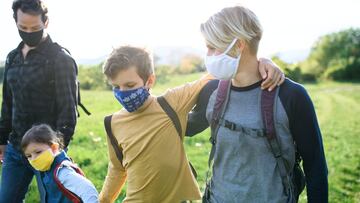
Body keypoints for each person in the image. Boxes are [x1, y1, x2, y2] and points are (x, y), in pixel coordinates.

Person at [99, 45, 284, 202]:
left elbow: (215, 74)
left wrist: (263, 61)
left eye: (130, 86)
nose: (122, 92)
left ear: (150, 81)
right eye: (116, 87)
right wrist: (103, 200)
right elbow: (117, 168)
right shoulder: (112, 123)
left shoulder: (171, 103)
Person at [185, 6, 328, 203]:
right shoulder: (212, 91)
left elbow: (315, 167)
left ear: (239, 45)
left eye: (212, 47)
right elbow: (182, 127)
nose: (208, 55)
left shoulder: (291, 96)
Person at [0, 0, 78, 202]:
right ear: (15, 22)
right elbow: (8, 102)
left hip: (46, 151)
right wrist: (1, 140)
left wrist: (56, 151)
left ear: (46, 22)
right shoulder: (12, 58)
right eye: (23, 27)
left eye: (35, 28)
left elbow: (68, 110)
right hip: (15, 150)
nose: (28, 32)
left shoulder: (60, 59)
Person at [21, 124, 99, 203]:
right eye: (29, 156)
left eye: (38, 152)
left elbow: (88, 190)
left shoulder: (62, 172)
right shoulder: (47, 168)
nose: (34, 159)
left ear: (54, 148)